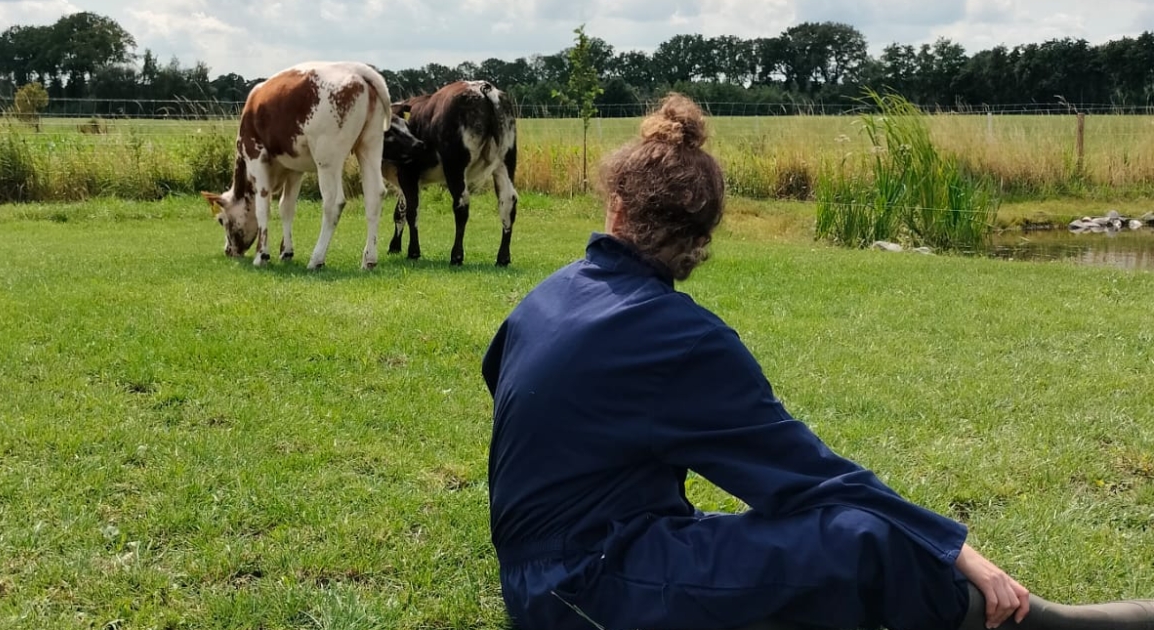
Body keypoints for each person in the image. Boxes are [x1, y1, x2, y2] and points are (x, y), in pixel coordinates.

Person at [479, 93, 1154, 630]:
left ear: (615, 208)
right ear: (703, 240)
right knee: (854, 538)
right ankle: (1034, 622)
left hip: (547, 567)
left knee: (778, 551)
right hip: (586, 586)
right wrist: (959, 549)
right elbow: (809, 476)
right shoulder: (675, 335)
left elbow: (508, 385)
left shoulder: (546, 297)